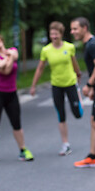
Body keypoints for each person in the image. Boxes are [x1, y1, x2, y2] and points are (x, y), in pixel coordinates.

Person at [30, 21, 83, 156]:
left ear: (61, 34)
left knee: (77, 114)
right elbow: (40, 68)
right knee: (61, 115)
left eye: (56, 33)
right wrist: (33, 85)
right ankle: (65, 144)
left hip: (70, 83)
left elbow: (74, 62)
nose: (53, 36)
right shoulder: (46, 50)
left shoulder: (69, 47)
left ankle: (78, 101)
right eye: (51, 33)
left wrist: (78, 73)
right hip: (56, 85)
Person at [0, 32, 34, 166]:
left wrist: (0, 65)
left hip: (11, 94)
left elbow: (10, 61)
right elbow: (6, 71)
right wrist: (2, 63)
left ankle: (23, 150)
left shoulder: (13, 50)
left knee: (16, 123)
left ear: (1, 38)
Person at [70, 17, 95, 168]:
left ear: (84, 28)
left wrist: (89, 85)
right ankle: (93, 156)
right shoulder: (90, 44)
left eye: (75, 29)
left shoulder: (93, 44)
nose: (72, 32)